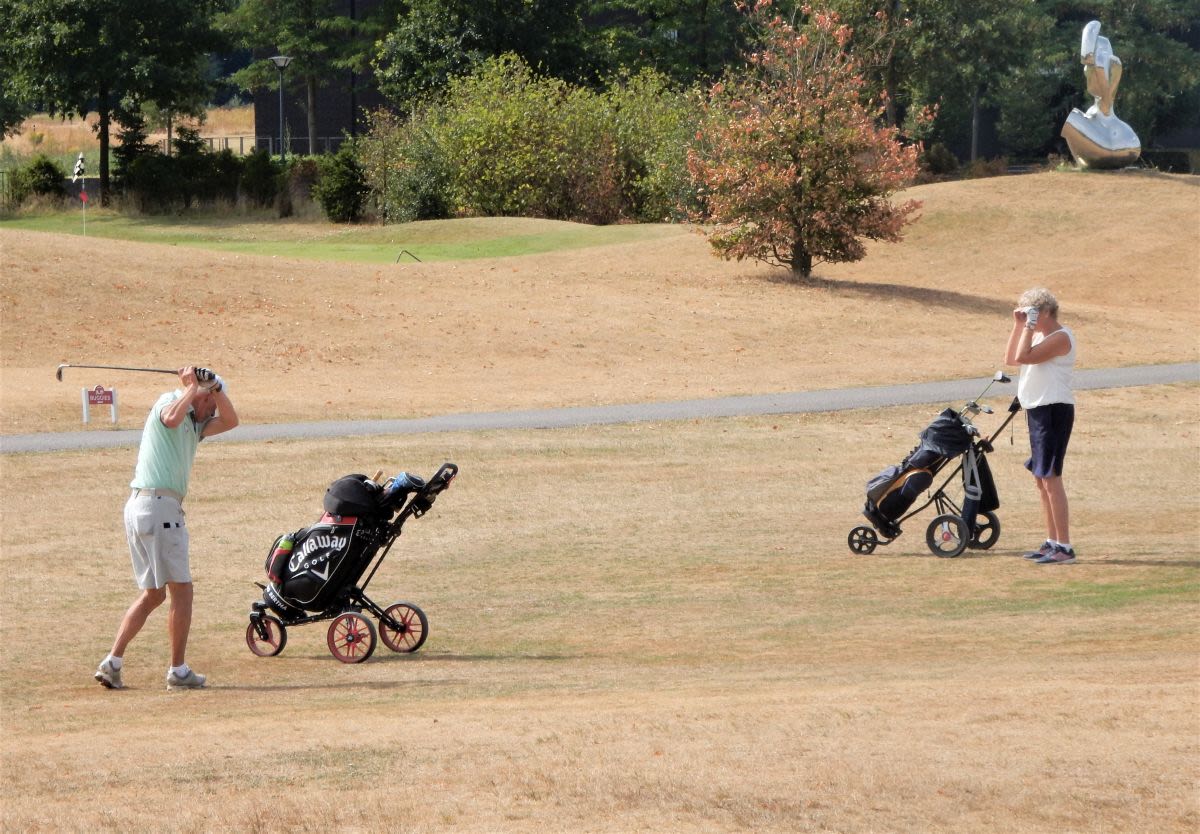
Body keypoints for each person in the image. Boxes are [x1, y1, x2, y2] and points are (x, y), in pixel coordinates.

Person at [94, 366, 239, 689]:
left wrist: (214, 387)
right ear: (198, 399)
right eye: (211, 404)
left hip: (145, 507)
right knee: (182, 591)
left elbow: (232, 421)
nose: (213, 412)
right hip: (158, 506)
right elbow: (170, 419)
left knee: (154, 595)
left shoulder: (196, 423)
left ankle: (112, 662)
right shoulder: (170, 402)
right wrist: (190, 387)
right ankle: (178, 671)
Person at [1004, 288, 1077, 564]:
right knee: (1040, 478)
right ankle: (1051, 540)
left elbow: (1024, 357)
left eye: (1032, 312)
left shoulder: (1061, 338)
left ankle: (1064, 546)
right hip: (1037, 410)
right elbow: (1011, 359)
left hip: (1053, 410)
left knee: (1051, 477)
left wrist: (1028, 328)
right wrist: (1018, 325)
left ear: (1046, 312)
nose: (1028, 317)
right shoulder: (1034, 334)